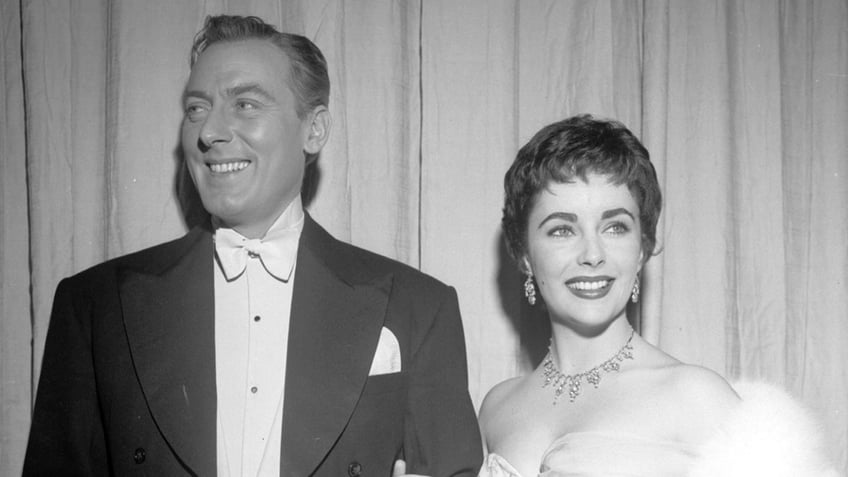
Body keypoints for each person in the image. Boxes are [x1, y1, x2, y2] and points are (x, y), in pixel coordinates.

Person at [23, 15, 482, 477]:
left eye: (244, 104)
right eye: (197, 108)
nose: (208, 132)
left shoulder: (418, 306)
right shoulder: (94, 304)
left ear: (314, 130)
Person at [477, 114, 837, 477]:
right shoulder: (497, 407)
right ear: (523, 253)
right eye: (561, 230)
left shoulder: (695, 396)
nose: (592, 253)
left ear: (643, 247)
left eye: (615, 227)